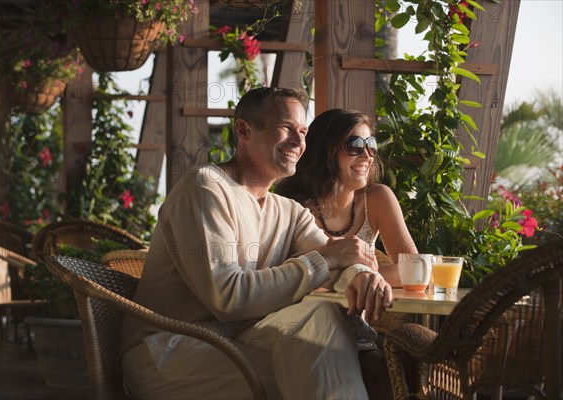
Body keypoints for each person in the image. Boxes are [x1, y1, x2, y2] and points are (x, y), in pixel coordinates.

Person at [121, 88, 393, 399]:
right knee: (313, 374)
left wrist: (362, 274)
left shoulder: (286, 210)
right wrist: (326, 260)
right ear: (243, 130)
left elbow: (338, 255)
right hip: (170, 351)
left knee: (323, 320)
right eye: (286, 128)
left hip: (238, 341)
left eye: (302, 132)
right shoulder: (205, 189)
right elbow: (228, 297)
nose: (298, 141)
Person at [275, 108, 418, 286]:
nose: (367, 155)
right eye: (354, 145)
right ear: (326, 152)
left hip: (359, 311)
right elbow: (277, 274)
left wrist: (355, 276)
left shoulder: (377, 198)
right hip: (305, 311)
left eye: (371, 145)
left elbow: (414, 270)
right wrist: (354, 275)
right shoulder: (291, 205)